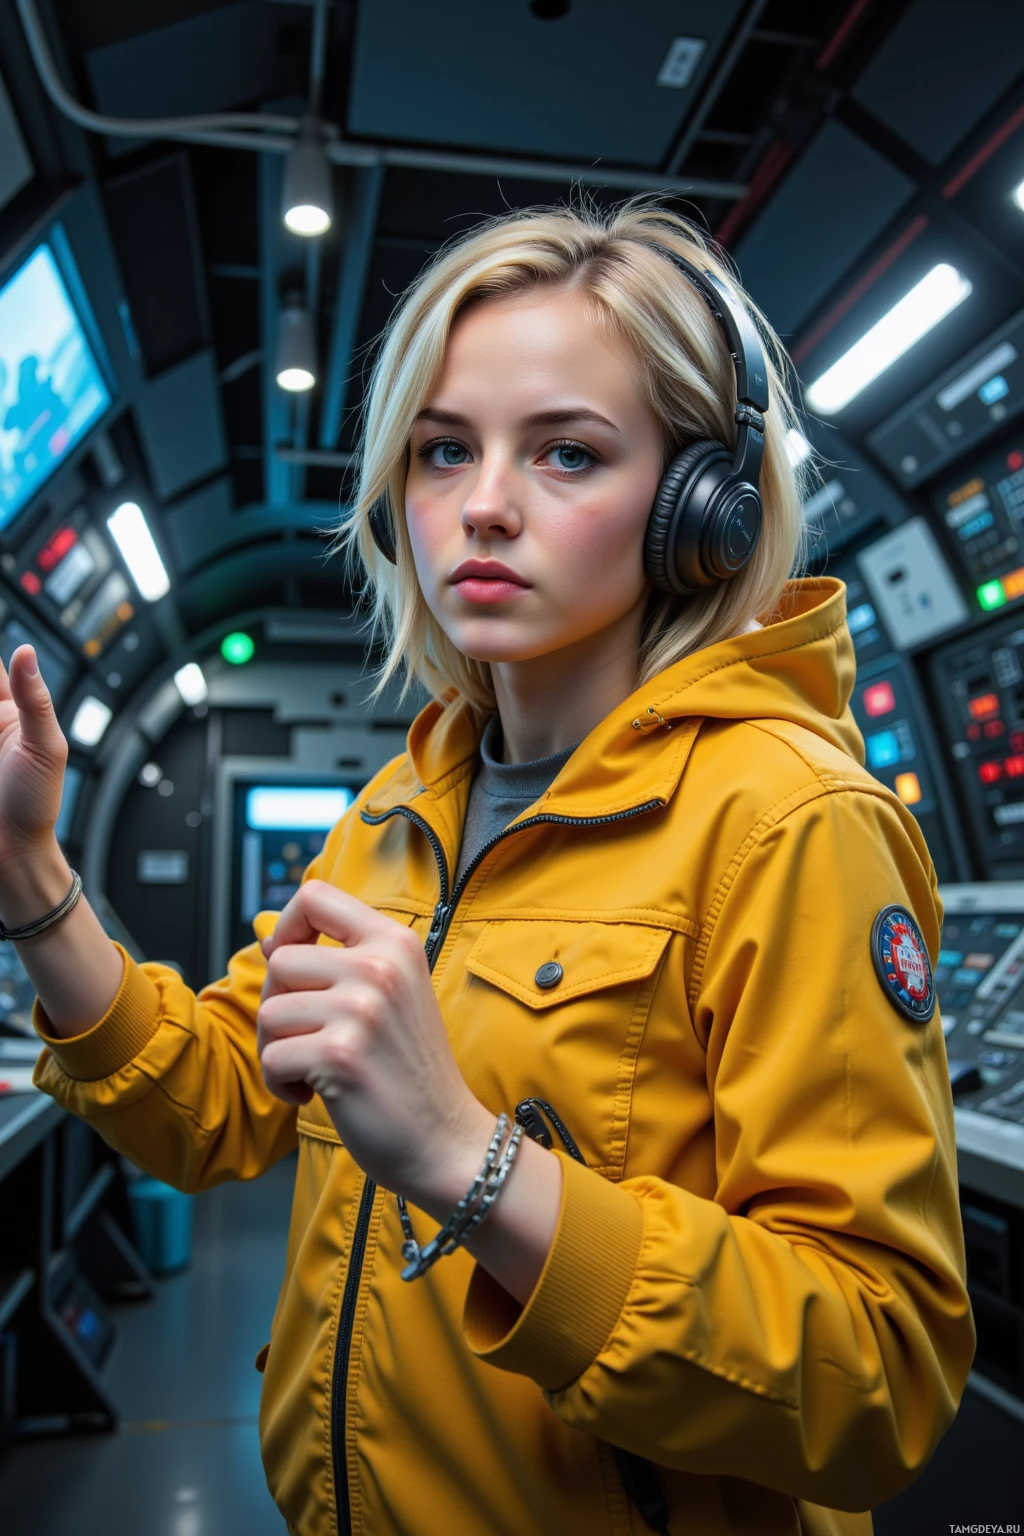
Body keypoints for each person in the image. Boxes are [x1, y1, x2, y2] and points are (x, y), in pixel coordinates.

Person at [0, 200, 974, 1536]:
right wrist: (29, 876)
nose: (485, 507)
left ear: (703, 506)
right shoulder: (404, 804)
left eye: (568, 454)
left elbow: (880, 1376)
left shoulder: (790, 820)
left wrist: (473, 1161)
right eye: (442, 451)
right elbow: (219, 1102)